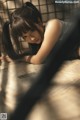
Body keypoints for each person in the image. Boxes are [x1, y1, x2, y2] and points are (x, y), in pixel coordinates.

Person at [2, 2, 79, 64]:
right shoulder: (36, 40)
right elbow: (37, 55)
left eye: (32, 30)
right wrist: (17, 57)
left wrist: (20, 59)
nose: (31, 38)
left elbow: (38, 59)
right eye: (25, 36)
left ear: (39, 21)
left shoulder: (53, 25)